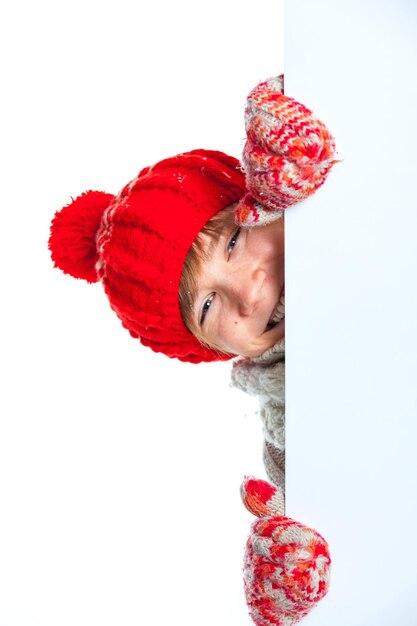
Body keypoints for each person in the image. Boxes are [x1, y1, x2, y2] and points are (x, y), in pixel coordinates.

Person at [49, 75, 337, 625]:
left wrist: (291, 137)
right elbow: (342, 508)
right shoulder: (290, 426)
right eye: (207, 307)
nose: (249, 290)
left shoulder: (340, 203)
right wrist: (288, 564)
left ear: (261, 193)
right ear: (210, 348)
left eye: (232, 239)